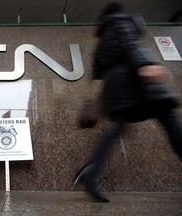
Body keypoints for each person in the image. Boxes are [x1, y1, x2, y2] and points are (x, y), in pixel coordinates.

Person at [73, 2, 182, 203]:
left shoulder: (103, 38)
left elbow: (97, 71)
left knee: (119, 127)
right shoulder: (120, 21)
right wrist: (145, 64)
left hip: (117, 87)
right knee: (168, 117)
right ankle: (91, 170)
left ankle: (92, 170)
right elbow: (130, 43)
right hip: (135, 82)